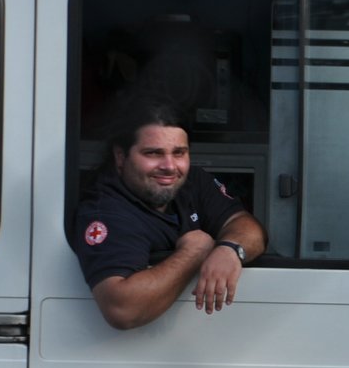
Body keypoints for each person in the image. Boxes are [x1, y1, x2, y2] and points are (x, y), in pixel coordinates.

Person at [75, 103, 267, 330]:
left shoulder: (193, 182)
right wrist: (194, 252)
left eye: (179, 153)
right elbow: (122, 310)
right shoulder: (105, 209)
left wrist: (230, 249)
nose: (169, 166)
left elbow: (248, 228)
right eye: (153, 153)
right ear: (120, 157)